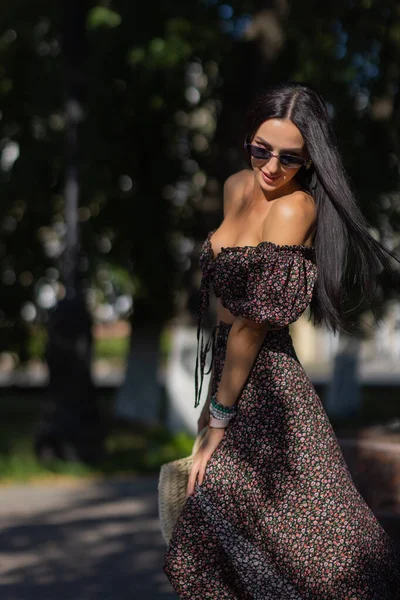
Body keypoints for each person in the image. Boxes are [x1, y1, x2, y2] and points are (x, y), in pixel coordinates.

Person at [163, 82, 400, 599]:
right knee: (230, 547)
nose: (271, 167)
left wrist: (219, 418)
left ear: (311, 162)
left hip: (272, 397)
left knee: (297, 555)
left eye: (290, 158)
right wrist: (212, 407)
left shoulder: (295, 210)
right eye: (261, 149)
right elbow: (227, 322)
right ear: (248, 138)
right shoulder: (234, 187)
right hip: (233, 382)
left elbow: (250, 323)